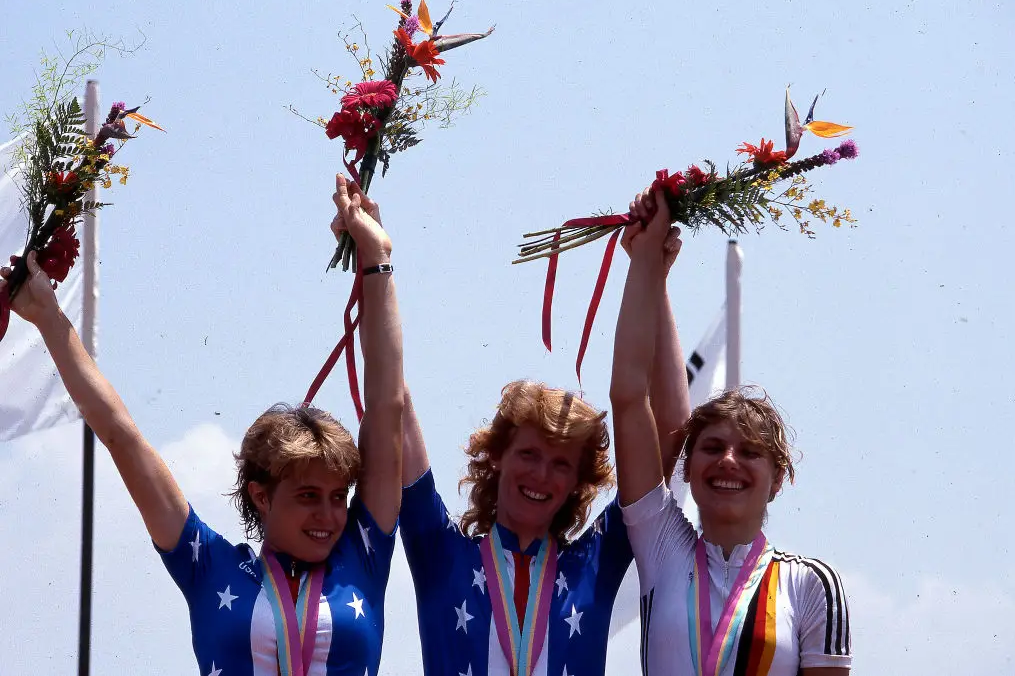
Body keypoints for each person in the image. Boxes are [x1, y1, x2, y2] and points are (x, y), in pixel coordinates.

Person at [0, 174, 405, 676]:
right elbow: (122, 436)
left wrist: (378, 259)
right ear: (260, 495)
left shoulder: (363, 555)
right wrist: (49, 318)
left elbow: (386, 408)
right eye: (307, 495)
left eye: (337, 497)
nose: (329, 514)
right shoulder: (208, 566)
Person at [395, 235, 688, 675]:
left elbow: (670, 432)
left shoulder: (596, 560)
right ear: (497, 456)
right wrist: (373, 262)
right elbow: (390, 403)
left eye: (562, 465)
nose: (541, 475)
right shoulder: (440, 551)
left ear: (577, 483)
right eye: (529, 454)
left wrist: (653, 277)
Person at [609, 187, 852, 675]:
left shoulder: (811, 585)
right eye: (713, 447)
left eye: (750, 453)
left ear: (778, 478)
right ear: (689, 466)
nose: (728, 461)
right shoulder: (661, 544)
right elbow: (630, 398)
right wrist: (646, 267)